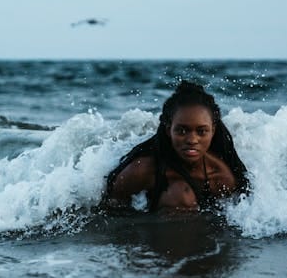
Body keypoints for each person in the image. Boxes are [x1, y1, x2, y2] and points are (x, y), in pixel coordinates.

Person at [104, 80, 249, 212]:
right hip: (154, 234)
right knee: (179, 194)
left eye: (201, 131)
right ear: (169, 130)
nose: (192, 140)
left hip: (201, 235)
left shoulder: (221, 177)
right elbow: (109, 213)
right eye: (182, 130)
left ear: (213, 131)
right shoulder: (141, 170)